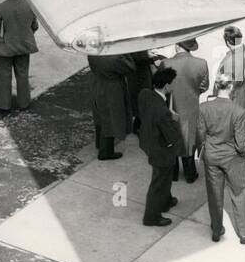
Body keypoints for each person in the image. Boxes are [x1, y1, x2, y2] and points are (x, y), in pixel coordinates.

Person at [197, 78, 245, 244]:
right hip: (232, 158)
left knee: (214, 194)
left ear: (216, 86)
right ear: (230, 87)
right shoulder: (238, 111)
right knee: (239, 193)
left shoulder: (204, 108)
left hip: (212, 155)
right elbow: (240, 141)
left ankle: (216, 230)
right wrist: (243, 153)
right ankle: (244, 233)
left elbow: (200, 134)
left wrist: (205, 149)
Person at [138, 66, 185, 227]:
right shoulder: (163, 112)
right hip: (161, 150)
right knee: (159, 183)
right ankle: (151, 217)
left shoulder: (146, 95)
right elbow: (172, 136)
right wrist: (174, 120)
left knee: (164, 178)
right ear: (166, 86)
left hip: (149, 143)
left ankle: (166, 201)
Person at [0, 0, 38, 114]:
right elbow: (34, 26)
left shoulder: (0, 8)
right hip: (23, 46)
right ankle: (24, 103)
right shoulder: (28, 6)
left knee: (3, 76)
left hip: (6, 47)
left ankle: (4, 104)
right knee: (22, 75)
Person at [164, 37, 209, 183]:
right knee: (189, 138)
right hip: (191, 106)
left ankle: (173, 173)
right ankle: (190, 173)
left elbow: (160, 86)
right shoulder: (201, 63)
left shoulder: (166, 63)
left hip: (171, 106)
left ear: (177, 46)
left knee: (170, 138)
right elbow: (204, 86)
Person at [88, 53, 136, 160]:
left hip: (97, 82)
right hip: (112, 88)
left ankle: (99, 143)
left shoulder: (94, 51)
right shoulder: (115, 58)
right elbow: (130, 67)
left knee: (100, 114)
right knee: (111, 118)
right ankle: (106, 151)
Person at [218, 25, 245, 137]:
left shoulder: (230, 62)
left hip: (232, 96)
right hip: (242, 92)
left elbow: (225, 84)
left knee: (230, 129)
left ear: (228, 41)